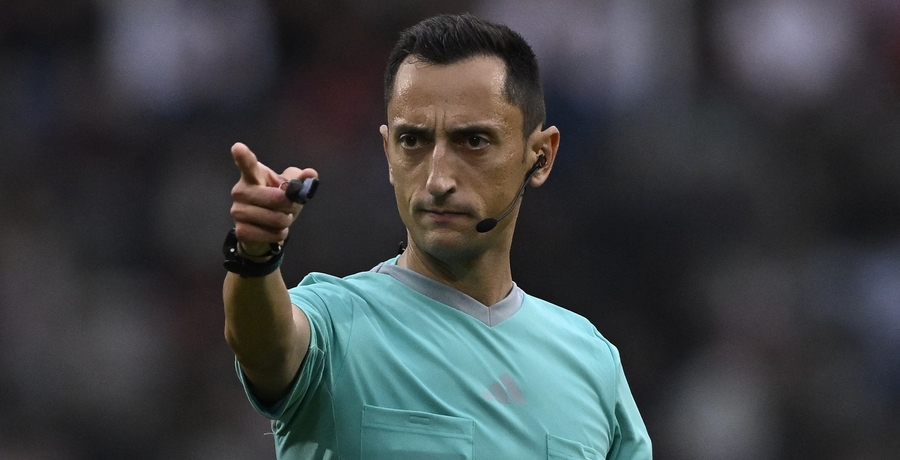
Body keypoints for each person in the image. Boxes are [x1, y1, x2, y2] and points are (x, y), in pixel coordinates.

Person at [223, 13, 651, 459]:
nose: (437, 180)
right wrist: (255, 254)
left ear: (540, 157)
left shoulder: (591, 363)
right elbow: (264, 347)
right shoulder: (333, 323)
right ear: (388, 153)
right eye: (413, 141)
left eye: (474, 141)